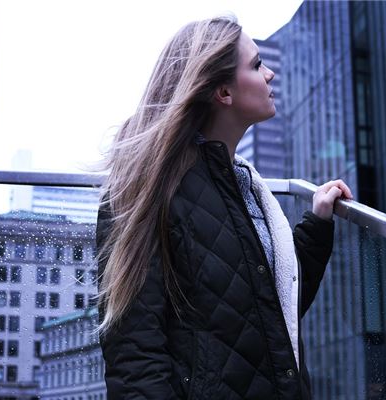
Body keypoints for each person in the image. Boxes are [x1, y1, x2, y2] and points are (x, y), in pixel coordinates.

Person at [96, 16, 353, 400]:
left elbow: (269, 309)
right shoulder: (144, 189)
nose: (270, 74)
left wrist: (316, 224)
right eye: (256, 65)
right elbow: (135, 356)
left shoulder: (244, 185)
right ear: (223, 92)